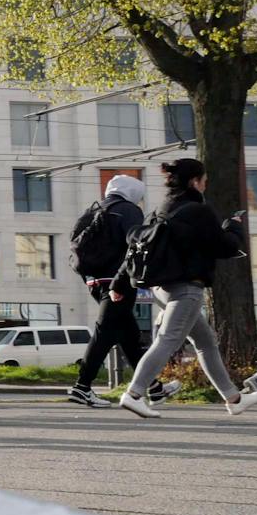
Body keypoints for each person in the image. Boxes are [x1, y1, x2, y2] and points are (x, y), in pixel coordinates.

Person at [118, 158, 257, 418]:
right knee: (168, 340)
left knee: (206, 342)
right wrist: (234, 228)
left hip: (162, 288)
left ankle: (234, 398)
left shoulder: (163, 209)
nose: (205, 185)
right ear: (195, 182)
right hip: (187, 288)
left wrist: (118, 283)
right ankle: (134, 394)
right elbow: (225, 247)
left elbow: (141, 246)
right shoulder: (199, 211)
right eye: (204, 180)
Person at [66, 175, 179, 408]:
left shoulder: (94, 210)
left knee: (129, 337)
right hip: (118, 281)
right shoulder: (128, 210)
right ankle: (82, 387)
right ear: (133, 193)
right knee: (104, 332)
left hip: (93, 280)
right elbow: (136, 245)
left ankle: (154, 388)